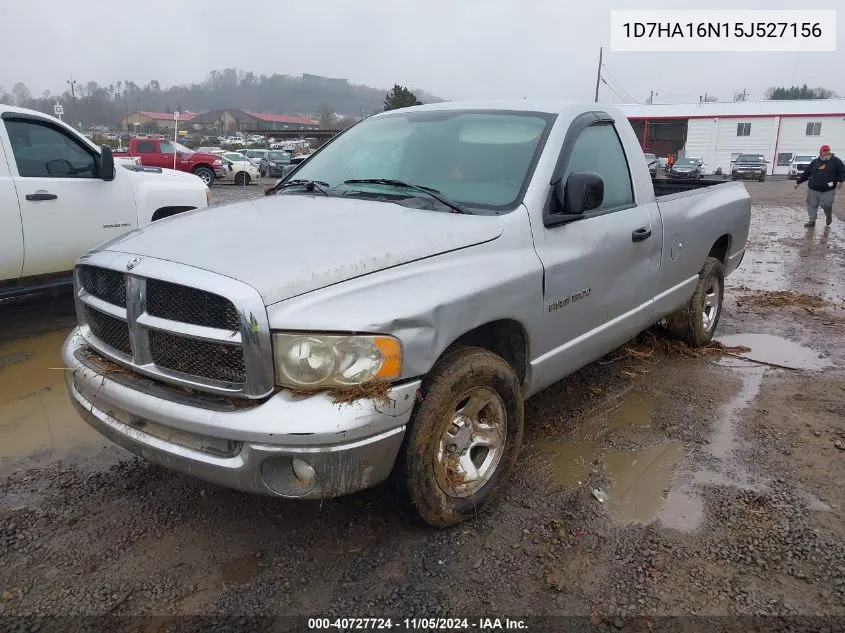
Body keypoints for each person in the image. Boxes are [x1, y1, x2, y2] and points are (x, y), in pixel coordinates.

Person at [793, 144, 845, 227]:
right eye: (824, 151)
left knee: (826, 204)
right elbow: (807, 173)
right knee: (811, 204)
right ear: (820, 152)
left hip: (828, 189)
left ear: (830, 151)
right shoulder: (815, 162)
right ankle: (812, 220)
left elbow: (842, 171)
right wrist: (798, 182)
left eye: (828, 150)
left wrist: (840, 180)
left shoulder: (836, 161)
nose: (826, 152)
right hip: (813, 188)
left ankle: (829, 215)